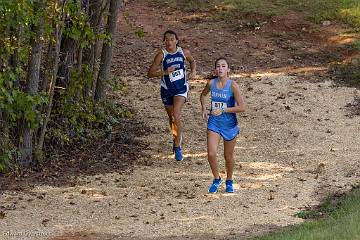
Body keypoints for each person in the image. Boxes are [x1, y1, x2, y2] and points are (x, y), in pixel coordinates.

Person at [147, 30, 196, 161]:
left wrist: (193, 71)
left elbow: (192, 62)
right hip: (167, 89)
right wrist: (164, 72)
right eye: (166, 39)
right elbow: (150, 73)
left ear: (176, 41)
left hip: (181, 88)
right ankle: (175, 138)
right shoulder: (161, 55)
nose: (169, 42)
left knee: (176, 114)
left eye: (172, 39)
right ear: (164, 41)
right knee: (172, 118)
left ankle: (178, 146)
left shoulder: (184, 52)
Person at [200, 57, 246, 193]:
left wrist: (224, 110)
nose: (220, 68)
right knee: (211, 153)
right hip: (214, 123)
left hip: (230, 125)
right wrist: (203, 109)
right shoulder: (211, 83)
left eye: (223, 66)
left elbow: (242, 107)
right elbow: (202, 96)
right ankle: (216, 178)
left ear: (228, 70)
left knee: (228, 156)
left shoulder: (232, 85)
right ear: (215, 70)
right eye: (218, 66)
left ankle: (229, 180)